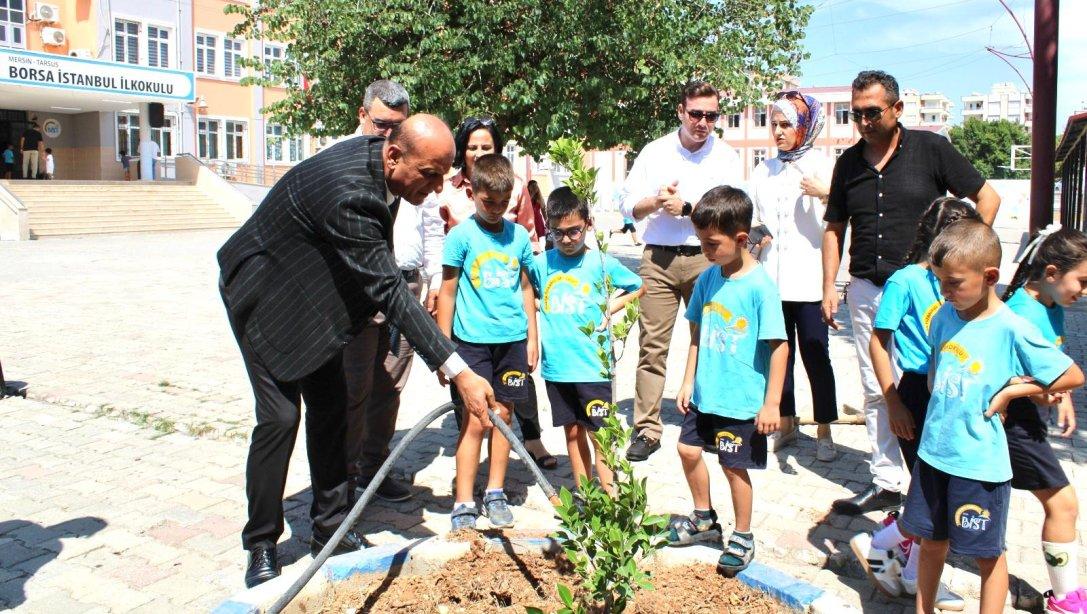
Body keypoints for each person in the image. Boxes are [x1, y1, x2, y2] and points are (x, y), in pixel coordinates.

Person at [217, 114, 497, 589]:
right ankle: (261, 542)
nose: (435, 188)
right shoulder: (349, 190)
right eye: (429, 174)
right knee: (281, 419)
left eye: (442, 176)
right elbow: (389, 287)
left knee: (332, 413)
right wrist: (457, 369)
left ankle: (331, 531)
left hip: (315, 300)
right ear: (394, 155)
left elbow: (373, 268)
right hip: (264, 297)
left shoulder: (383, 171)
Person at [822, 70, 1001, 515]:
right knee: (875, 386)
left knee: (936, 380)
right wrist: (829, 284)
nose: (862, 121)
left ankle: (938, 481)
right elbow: (834, 228)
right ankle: (886, 480)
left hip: (927, 292)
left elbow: (988, 197)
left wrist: (965, 259)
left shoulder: (931, 149)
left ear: (897, 109)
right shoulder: (847, 164)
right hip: (868, 289)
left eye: (871, 112)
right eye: (855, 113)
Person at [900, 220, 1084, 614]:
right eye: (939, 282)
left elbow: (1071, 374)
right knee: (931, 543)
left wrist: (1012, 391)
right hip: (934, 456)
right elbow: (937, 373)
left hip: (980, 467)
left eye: (953, 283)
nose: (944, 293)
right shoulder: (945, 318)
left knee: (987, 555)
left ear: (990, 277)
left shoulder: (1011, 328)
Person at [850, 197, 981, 609]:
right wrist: (893, 403)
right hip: (916, 397)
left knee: (936, 493)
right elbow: (878, 340)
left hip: (953, 395)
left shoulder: (966, 281)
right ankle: (883, 543)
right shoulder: (906, 280)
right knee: (933, 494)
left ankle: (910, 573)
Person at [620, 80, 744, 462]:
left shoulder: (725, 158)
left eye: (711, 115)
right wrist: (653, 202)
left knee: (712, 341)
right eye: (696, 114)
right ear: (680, 111)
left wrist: (689, 209)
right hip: (657, 259)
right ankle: (647, 428)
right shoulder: (655, 152)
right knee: (652, 346)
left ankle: (709, 421)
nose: (703, 122)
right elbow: (627, 206)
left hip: (707, 259)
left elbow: (736, 210)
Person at [667, 186, 788, 579]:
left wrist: (772, 403)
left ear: (740, 239)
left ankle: (744, 535)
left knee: (733, 468)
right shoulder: (707, 280)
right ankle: (704, 519)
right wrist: (687, 382)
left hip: (741, 402)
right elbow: (698, 335)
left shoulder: (760, 288)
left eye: (711, 243)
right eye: (700, 241)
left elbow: (779, 347)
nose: (705, 249)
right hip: (706, 394)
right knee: (687, 451)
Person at [341, 79, 443, 503]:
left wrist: (434, 279)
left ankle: (374, 470)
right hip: (361, 289)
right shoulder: (340, 162)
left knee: (390, 386)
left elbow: (433, 224)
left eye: (398, 126)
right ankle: (341, 486)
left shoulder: (412, 161)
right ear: (362, 115)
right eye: (383, 124)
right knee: (354, 387)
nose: (389, 135)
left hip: (407, 282)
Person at [431, 117, 555, 468]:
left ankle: (528, 445)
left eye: (486, 146)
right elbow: (447, 278)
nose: (479, 151)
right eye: (472, 146)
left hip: (507, 305)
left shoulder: (513, 192)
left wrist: (533, 331)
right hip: (469, 298)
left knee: (511, 399)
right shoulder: (450, 192)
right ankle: (468, 477)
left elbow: (529, 238)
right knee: (472, 406)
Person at [437, 154, 537, 531]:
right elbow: (447, 293)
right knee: (476, 419)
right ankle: (463, 499)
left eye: (502, 201)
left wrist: (531, 337)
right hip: (472, 343)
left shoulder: (520, 237)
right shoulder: (461, 235)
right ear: (473, 193)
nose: (495, 209)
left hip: (511, 341)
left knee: (505, 417)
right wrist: (443, 350)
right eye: (487, 201)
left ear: (511, 196)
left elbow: (526, 287)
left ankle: (495, 491)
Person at [529, 187, 643, 493]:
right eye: (558, 232)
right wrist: (540, 306)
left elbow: (637, 286)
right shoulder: (542, 264)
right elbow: (528, 294)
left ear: (588, 224)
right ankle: (586, 495)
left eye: (574, 231)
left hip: (593, 368)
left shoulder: (601, 263)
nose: (566, 240)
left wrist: (612, 307)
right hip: (557, 368)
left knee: (600, 435)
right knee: (572, 432)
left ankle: (611, 495)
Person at [1000, 225, 1087, 612]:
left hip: (1027, 422)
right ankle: (1066, 600)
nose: (1083, 292)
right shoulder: (1020, 312)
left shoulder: (1051, 306)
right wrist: (1042, 392)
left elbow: (1051, 362)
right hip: (1012, 423)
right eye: (1081, 281)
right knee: (1064, 504)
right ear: (1051, 273)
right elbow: (1001, 377)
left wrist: (1061, 395)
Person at [749, 90, 837, 459]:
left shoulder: (824, 165)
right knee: (777, 355)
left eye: (787, 124)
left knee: (816, 354)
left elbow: (843, 216)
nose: (779, 132)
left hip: (811, 280)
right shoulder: (763, 169)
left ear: (804, 125)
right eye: (774, 124)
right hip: (772, 281)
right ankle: (786, 423)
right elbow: (752, 217)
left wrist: (825, 193)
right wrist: (756, 232)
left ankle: (824, 429)